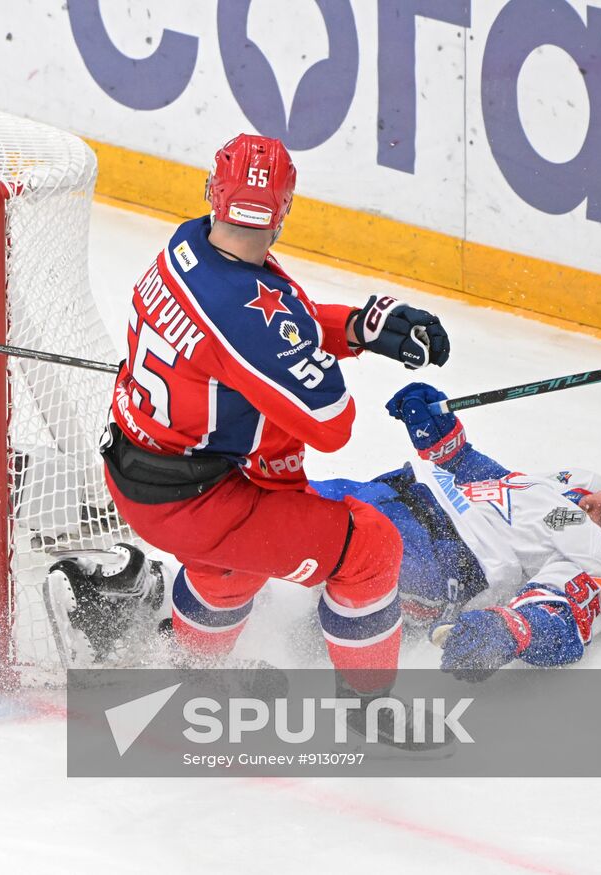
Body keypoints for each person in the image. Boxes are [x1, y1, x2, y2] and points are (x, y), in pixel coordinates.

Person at [98, 133, 451, 701]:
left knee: (231, 568)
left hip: (144, 471)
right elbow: (331, 425)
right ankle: (371, 707)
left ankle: (188, 664)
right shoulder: (241, 314)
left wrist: (357, 327)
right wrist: (310, 362)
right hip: (199, 499)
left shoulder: (188, 243)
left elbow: (270, 328)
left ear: (213, 191)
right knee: (370, 548)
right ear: (284, 210)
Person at [56, 382, 601, 681]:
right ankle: (166, 596)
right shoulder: (579, 487)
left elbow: (565, 620)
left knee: (262, 527)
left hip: (436, 563)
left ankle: (151, 614)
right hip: (405, 503)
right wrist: (446, 442)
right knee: (256, 505)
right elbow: (497, 492)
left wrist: (510, 630)